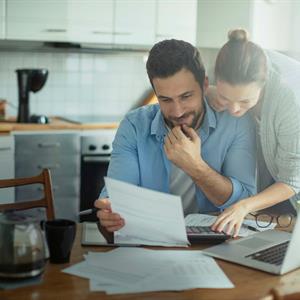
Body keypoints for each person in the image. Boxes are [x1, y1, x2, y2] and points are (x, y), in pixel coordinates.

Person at [94, 39, 256, 233]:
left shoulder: (235, 124)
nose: (177, 111)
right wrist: (111, 210)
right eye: (166, 99)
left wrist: (195, 167)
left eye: (186, 96)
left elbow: (244, 200)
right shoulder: (134, 126)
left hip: (215, 242)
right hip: (150, 240)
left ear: (205, 85)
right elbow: (119, 194)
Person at [210, 29, 300, 237]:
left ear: (264, 83)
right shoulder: (236, 65)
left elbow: (292, 180)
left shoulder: (290, 99)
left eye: (244, 101)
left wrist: (244, 206)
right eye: (226, 97)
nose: (234, 110)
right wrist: (213, 92)